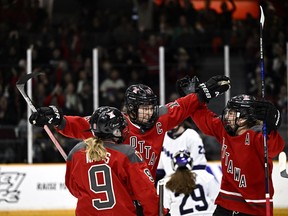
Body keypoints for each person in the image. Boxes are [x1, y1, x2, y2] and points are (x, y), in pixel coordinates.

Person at [29, 75, 231, 182]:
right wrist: (58, 120)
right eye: (143, 109)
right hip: (123, 191)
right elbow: (81, 126)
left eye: (151, 107)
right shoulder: (116, 123)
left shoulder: (160, 118)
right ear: (131, 109)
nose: (149, 112)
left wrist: (204, 93)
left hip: (147, 189)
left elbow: (184, 105)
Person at [176, 76, 284, 215]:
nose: (227, 116)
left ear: (244, 117)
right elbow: (204, 119)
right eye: (228, 112)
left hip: (254, 207)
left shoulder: (258, 137)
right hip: (226, 201)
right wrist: (193, 98)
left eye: (232, 113)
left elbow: (276, 148)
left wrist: (271, 126)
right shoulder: (224, 128)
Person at [65, 106, 165, 216]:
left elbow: (74, 189)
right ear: (115, 130)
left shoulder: (76, 152)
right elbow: (146, 192)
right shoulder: (126, 153)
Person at [158, 150, 219, 216]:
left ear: (173, 164)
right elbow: (217, 200)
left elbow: (164, 209)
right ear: (191, 163)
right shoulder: (205, 176)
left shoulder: (164, 182)